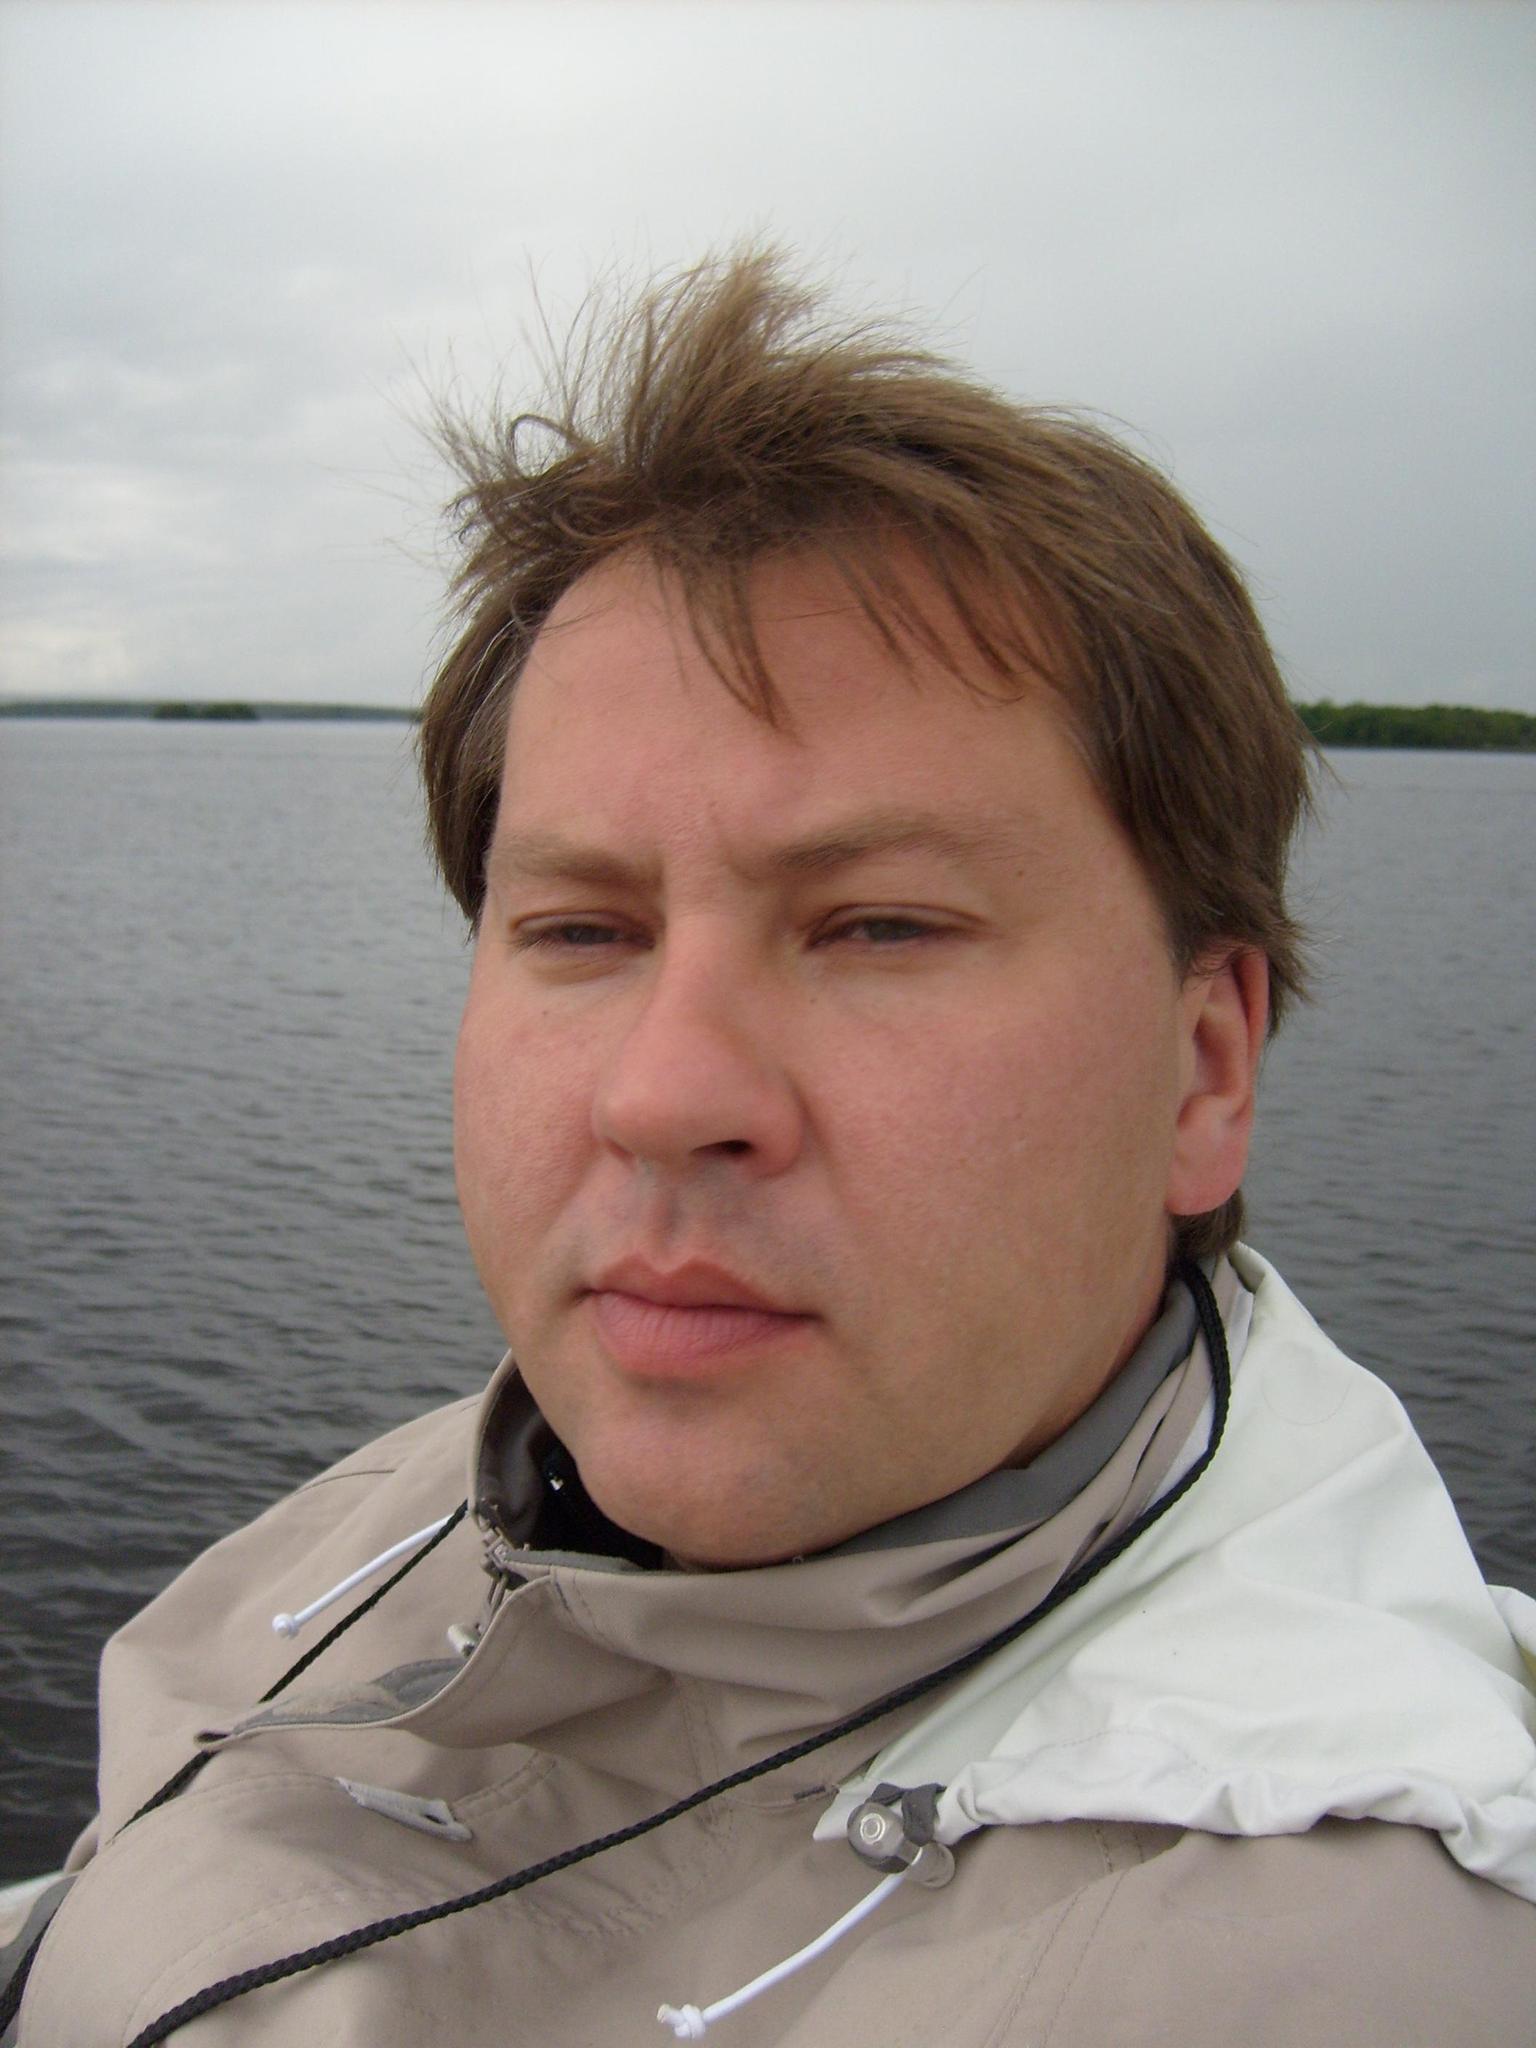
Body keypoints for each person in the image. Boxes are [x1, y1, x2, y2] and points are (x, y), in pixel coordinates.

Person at [6, 251, 1533, 2046]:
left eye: (879, 925)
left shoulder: (1356, 1963)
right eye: (582, 929)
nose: (661, 1094)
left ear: (1204, 1071)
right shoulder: (397, 1517)